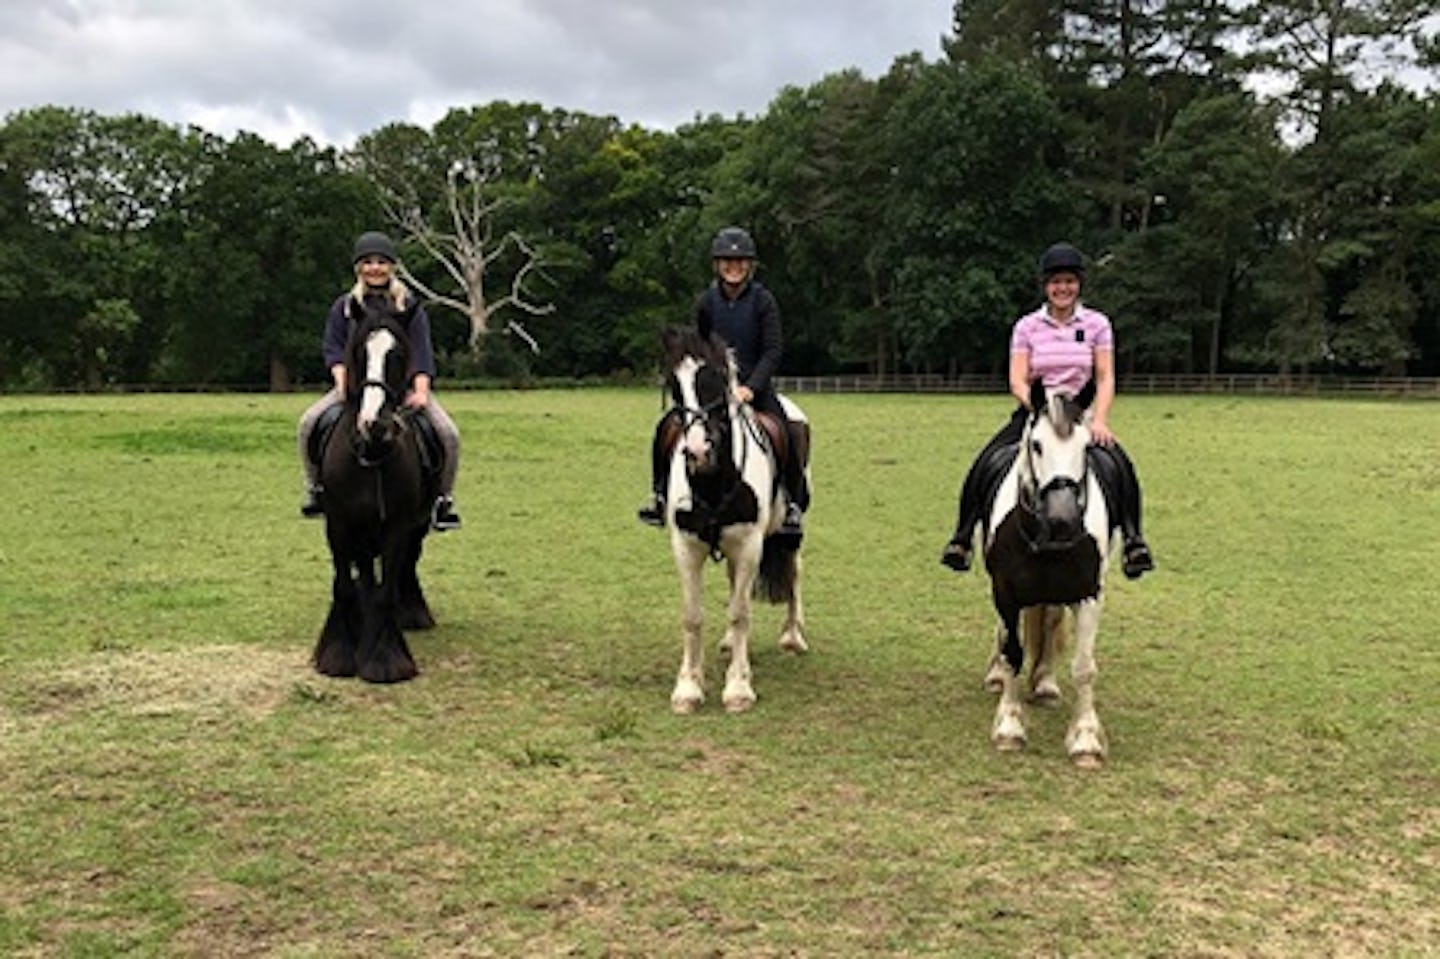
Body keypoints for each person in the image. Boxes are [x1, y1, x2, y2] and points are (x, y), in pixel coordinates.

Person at [939, 241, 1153, 578]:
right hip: (1036, 412)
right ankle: (962, 538)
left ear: (1078, 284)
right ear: (1045, 286)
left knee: (1121, 466)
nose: (1062, 288)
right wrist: (1038, 407)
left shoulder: (1097, 324)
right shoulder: (1028, 327)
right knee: (986, 462)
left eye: (1069, 281)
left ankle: (1133, 541)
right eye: (1055, 282)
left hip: (1079, 412)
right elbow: (1018, 378)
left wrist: (1100, 419)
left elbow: (1105, 375)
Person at [637, 226, 809, 537]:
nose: (734, 267)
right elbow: (698, 346)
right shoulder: (706, 302)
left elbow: (772, 350)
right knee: (667, 428)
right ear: (717, 265)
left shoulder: (763, 301)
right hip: (713, 391)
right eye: (727, 262)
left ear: (750, 265)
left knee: (786, 430)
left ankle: (793, 504)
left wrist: (750, 387)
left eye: (741, 261)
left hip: (753, 388)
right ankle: (660, 496)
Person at [295, 230, 462, 531]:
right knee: (308, 423)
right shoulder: (344, 307)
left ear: (392, 267)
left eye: (382, 262)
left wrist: (421, 390)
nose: (375, 268)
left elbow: (422, 349)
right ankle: (316, 490)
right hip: (356, 385)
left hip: (402, 387)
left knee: (448, 435)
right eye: (368, 262)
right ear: (358, 268)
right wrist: (342, 382)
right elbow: (333, 348)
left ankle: (442, 501)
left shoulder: (407, 306)